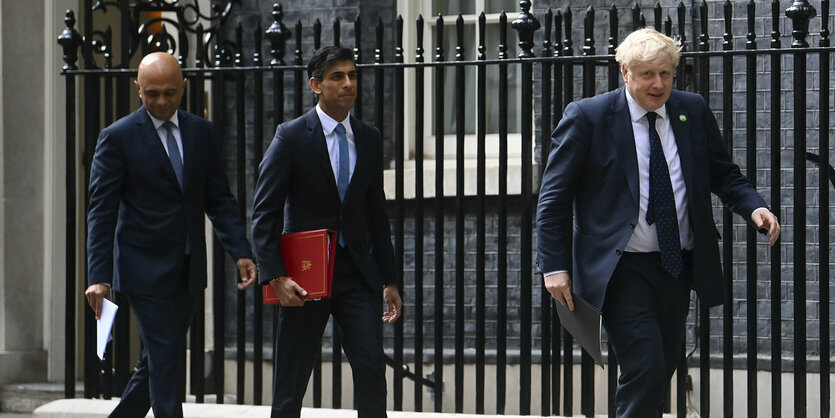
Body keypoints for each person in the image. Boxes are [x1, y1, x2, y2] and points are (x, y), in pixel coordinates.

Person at [536, 28, 780, 418]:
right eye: (648, 74)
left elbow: (723, 173)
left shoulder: (691, 109)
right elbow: (553, 199)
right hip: (620, 269)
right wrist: (554, 266)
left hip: (676, 263)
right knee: (645, 366)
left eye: (666, 74)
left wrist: (754, 207)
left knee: (663, 364)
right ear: (625, 73)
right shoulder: (589, 117)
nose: (658, 83)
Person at [84, 52, 257, 418]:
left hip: (189, 268)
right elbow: (101, 211)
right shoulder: (116, 138)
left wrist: (240, 250)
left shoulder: (201, 131)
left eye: (169, 93)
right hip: (142, 269)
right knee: (165, 357)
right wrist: (99, 278)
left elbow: (219, 198)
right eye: (151, 94)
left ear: (184, 86)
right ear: (137, 89)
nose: (161, 102)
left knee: (160, 359)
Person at [251, 45, 402, 418]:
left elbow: (376, 214)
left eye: (352, 75)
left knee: (370, 369)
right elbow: (263, 213)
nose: (348, 83)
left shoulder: (367, 137)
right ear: (315, 85)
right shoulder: (290, 137)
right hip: (306, 276)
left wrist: (389, 279)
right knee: (292, 377)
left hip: (357, 275)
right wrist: (276, 277)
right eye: (337, 77)